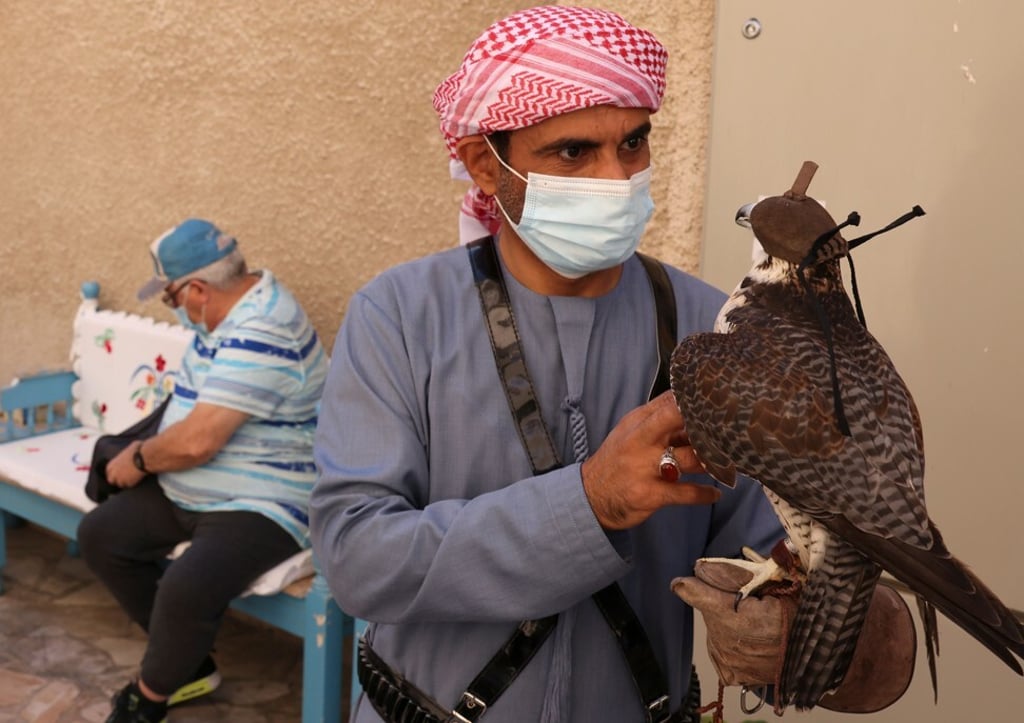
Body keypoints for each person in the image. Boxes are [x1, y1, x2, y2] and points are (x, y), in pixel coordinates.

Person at [310, 7, 912, 723]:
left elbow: (790, 542)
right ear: (483, 163)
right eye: (573, 153)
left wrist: (831, 630)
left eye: (633, 143)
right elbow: (356, 557)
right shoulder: (400, 314)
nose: (616, 177)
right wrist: (587, 504)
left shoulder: (713, 329)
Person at [77, 218, 329, 723]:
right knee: (102, 534)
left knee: (185, 587)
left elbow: (197, 442)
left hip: (266, 496)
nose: (174, 309)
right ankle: (189, 666)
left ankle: (147, 701)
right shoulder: (224, 315)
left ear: (197, 289)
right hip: (195, 487)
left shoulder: (263, 328)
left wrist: (139, 459)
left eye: (170, 297)